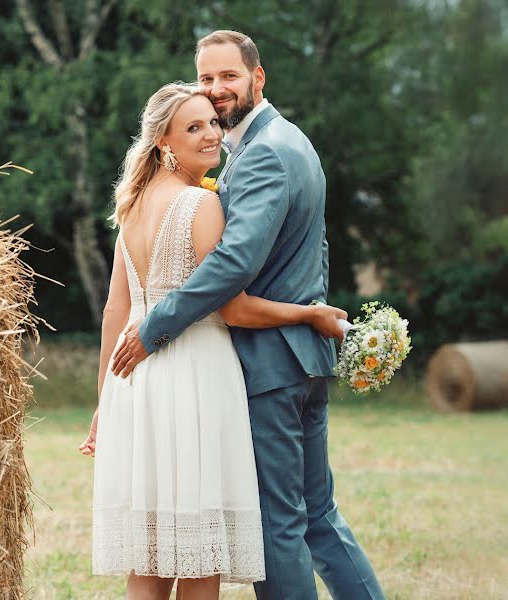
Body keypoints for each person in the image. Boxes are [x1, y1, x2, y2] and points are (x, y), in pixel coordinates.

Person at [109, 31, 385, 600]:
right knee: (317, 516)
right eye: (206, 79)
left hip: (270, 364)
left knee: (279, 526)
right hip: (298, 356)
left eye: (228, 76)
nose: (215, 91)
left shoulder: (264, 154)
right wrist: (312, 316)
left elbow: (233, 264)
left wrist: (156, 326)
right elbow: (313, 249)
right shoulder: (290, 144)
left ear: (258, 78)